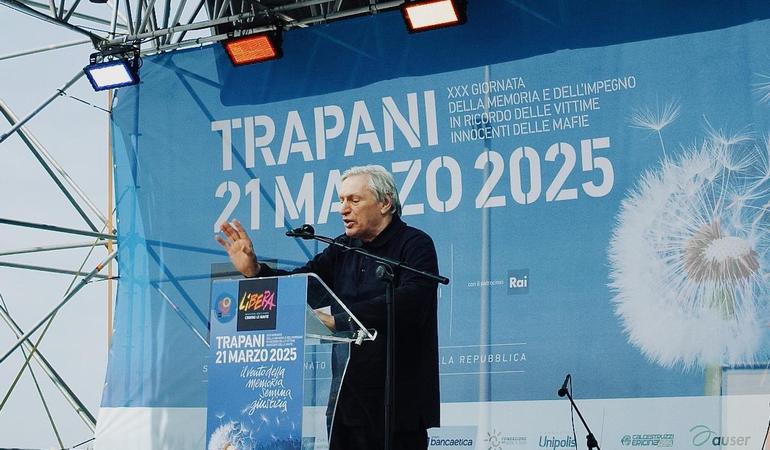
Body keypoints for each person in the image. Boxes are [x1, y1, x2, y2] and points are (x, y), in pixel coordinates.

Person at [215, 165, 440, 450]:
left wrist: (338, 319)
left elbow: (411, 303)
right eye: (341, 200)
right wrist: (255, 272)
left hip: (397, 406)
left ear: (384, 203)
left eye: (354, 200)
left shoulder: (415, 244)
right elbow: (303, 288)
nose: (343, 209)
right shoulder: (343, 247)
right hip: (346, 404)